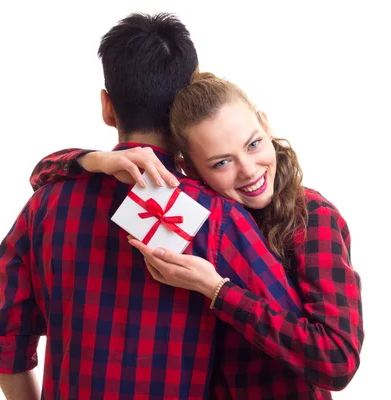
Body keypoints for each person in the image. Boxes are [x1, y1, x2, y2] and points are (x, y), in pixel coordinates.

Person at [0, 13, 305, 400]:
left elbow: (7, 346)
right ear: (187, 104)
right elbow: (295, 341)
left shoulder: (44, 206)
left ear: (107, 106)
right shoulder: (219, 217)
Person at [29, 73, 363, 399]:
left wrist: (217, 289)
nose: (248, 170)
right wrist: (94, 160)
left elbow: (337, 360)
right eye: (221, 163)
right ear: (187, 168)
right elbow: (41, 175)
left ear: (265, 123)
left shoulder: (312, 217)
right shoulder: (189, 209)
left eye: (253, 144)